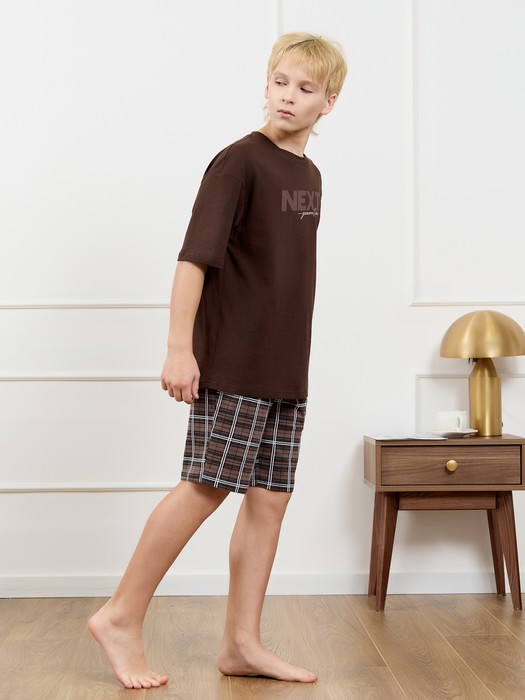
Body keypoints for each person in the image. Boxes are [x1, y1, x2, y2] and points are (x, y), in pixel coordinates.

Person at [89, 31, 347, 690]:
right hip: (234, 361)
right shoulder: (239, 162)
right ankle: (119, 616)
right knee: (206, 484)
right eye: (280, 82)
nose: (288, 96)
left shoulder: (309, 176)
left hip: (284, 367)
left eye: (305, 88)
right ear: (266, 84)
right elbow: (194, 259)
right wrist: (180, 349)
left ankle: (241, 643)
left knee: (270, 499)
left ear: (328, 103)